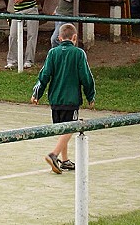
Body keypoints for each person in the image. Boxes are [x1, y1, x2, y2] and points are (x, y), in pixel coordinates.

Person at [31, 23, 96, 174]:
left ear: (59, 38)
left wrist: (37, 94)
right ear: (75, 38)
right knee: (71, 126)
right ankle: (54, 154)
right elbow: (86, 77)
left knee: (62, 129)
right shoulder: (79, 54)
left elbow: (44, 75)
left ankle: (65, 160)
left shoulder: (52, 53)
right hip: (71, 99)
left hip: (55, 100)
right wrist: (90, 95)